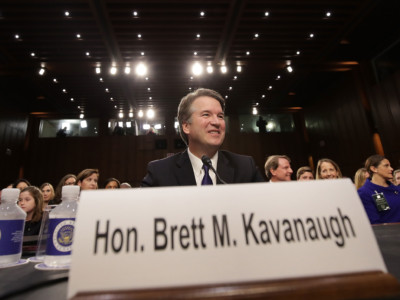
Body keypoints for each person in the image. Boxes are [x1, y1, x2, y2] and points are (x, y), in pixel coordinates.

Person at [141, 88, 265, 186]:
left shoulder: (245, 168)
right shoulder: (160, 172)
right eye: (206, 114)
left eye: (220, 116)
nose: (216, 122)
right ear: (186, 126)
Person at [358, 155, 400, 224]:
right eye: (386, 166)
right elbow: (374, 223)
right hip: (387, 233)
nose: (391, 169)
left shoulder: (397, 189)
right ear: (374, 169)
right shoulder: (364, 192)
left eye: (390, 165)